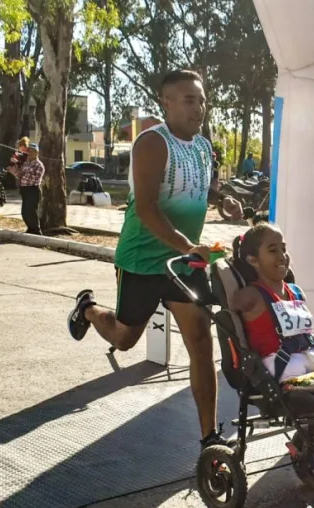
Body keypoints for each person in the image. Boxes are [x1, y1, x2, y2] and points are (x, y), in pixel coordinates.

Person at [66, 69, 244, 448]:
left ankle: (209, 436)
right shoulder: (151, 143)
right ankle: (88, 310)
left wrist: (220, 199)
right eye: (189, 100)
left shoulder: (200, 146)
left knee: (200, 340)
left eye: (202, 99)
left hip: (183, 263)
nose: (199, 108)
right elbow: (146, 208)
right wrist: (185, 245)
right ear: (166, 103)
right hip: (143, 261)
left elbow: (195, 185)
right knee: (125, 338)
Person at [230, 222, 314, 382]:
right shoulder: (252, 295)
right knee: (297, 368)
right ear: (253, 260)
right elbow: (233, 302)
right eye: (273, 250)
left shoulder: (296, 292)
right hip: (277, 362)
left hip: (308, 354)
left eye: (283, 249)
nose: (282, 256)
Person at [7, 142, 44, 235]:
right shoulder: (26, 163)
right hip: (24, 190)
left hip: (33, 190)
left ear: (37, 152)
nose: (30, 153)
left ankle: (36, 230)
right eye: (29, 151)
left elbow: (34, 179)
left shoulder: (39, 165)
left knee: (31, 211)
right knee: (24, 212)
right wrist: (13, 172)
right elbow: (20, 175)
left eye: (32, 151)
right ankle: (30, 229)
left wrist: (23, 174)